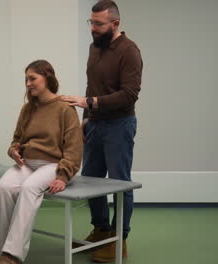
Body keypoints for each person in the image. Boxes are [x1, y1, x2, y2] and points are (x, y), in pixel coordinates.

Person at [61, 1, 143, 262]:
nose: (93, 29)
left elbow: (130, 95)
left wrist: (91, 103)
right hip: (95, 124)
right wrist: (86, 119)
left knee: (120, 184)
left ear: (115, 24)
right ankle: (101, 230)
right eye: (91, 23)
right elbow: (91, 87)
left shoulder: (129, 52)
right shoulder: (94, 48)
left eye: (99, 24)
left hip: (120, 125)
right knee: (91, 179)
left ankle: (121, 239)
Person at [0, 60, 83, 264]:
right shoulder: (28, 109)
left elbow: (74, 148)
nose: (28, 83)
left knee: (29, 188)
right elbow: (17, 140)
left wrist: (63, 175)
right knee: (3, 188)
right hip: (27, 163)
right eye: (26, 79)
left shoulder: (65, 109)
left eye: (32, 78)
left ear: (47, 77)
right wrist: (13, 151)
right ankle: (2, 250)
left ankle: (11, 256)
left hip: (53, 165)